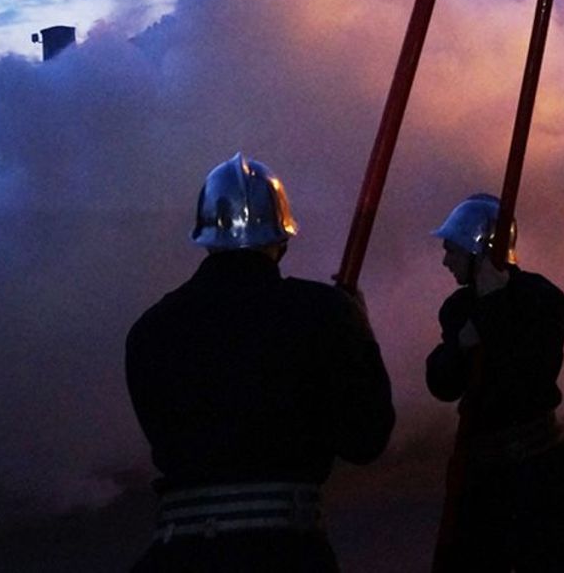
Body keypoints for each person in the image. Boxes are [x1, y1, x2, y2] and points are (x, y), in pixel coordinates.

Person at [125, 152, 395, 572]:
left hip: (179, 554)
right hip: (286, 553)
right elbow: (366, 439)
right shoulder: (324, 314)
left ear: (206, 238)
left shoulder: (150, 330)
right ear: (281, 240)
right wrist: (359, 331)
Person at [425, 193, 564, 571]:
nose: (446, 260)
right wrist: (462, 343)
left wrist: (493, 308)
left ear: (478, 250)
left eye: (452, 250)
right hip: (480, 482)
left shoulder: (542, 300)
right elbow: (442, 384)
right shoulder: (458, 309)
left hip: (535, 476)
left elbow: (530, 374)